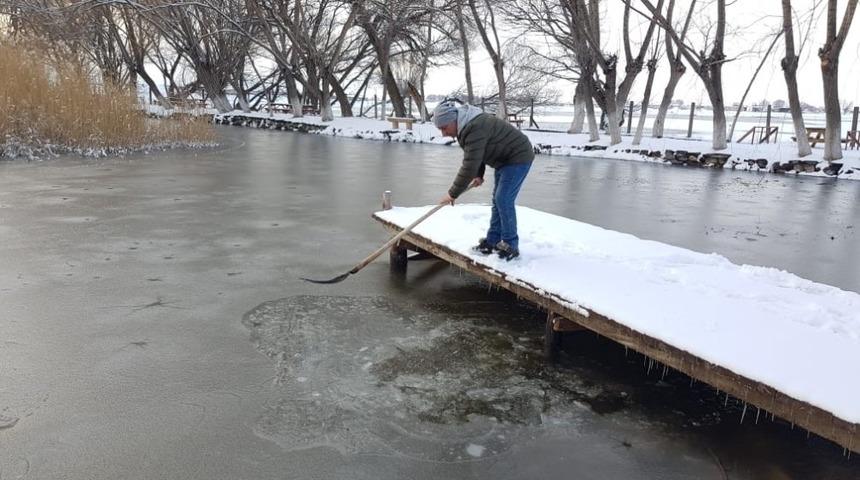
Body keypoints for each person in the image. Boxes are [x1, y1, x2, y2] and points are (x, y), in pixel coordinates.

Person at [433, 100, 534, 261]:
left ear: (453, 121)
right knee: (497, 200)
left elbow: (469, 165)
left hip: (518, 156)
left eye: (444, 128)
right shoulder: (466, 127)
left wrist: (452, 194)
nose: (443, 134)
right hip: (504, 160)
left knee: (503, 199)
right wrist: (478, 174)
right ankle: (493, 241)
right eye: (440, 129)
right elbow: (476, 153)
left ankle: (510, 245)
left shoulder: (474, 127)